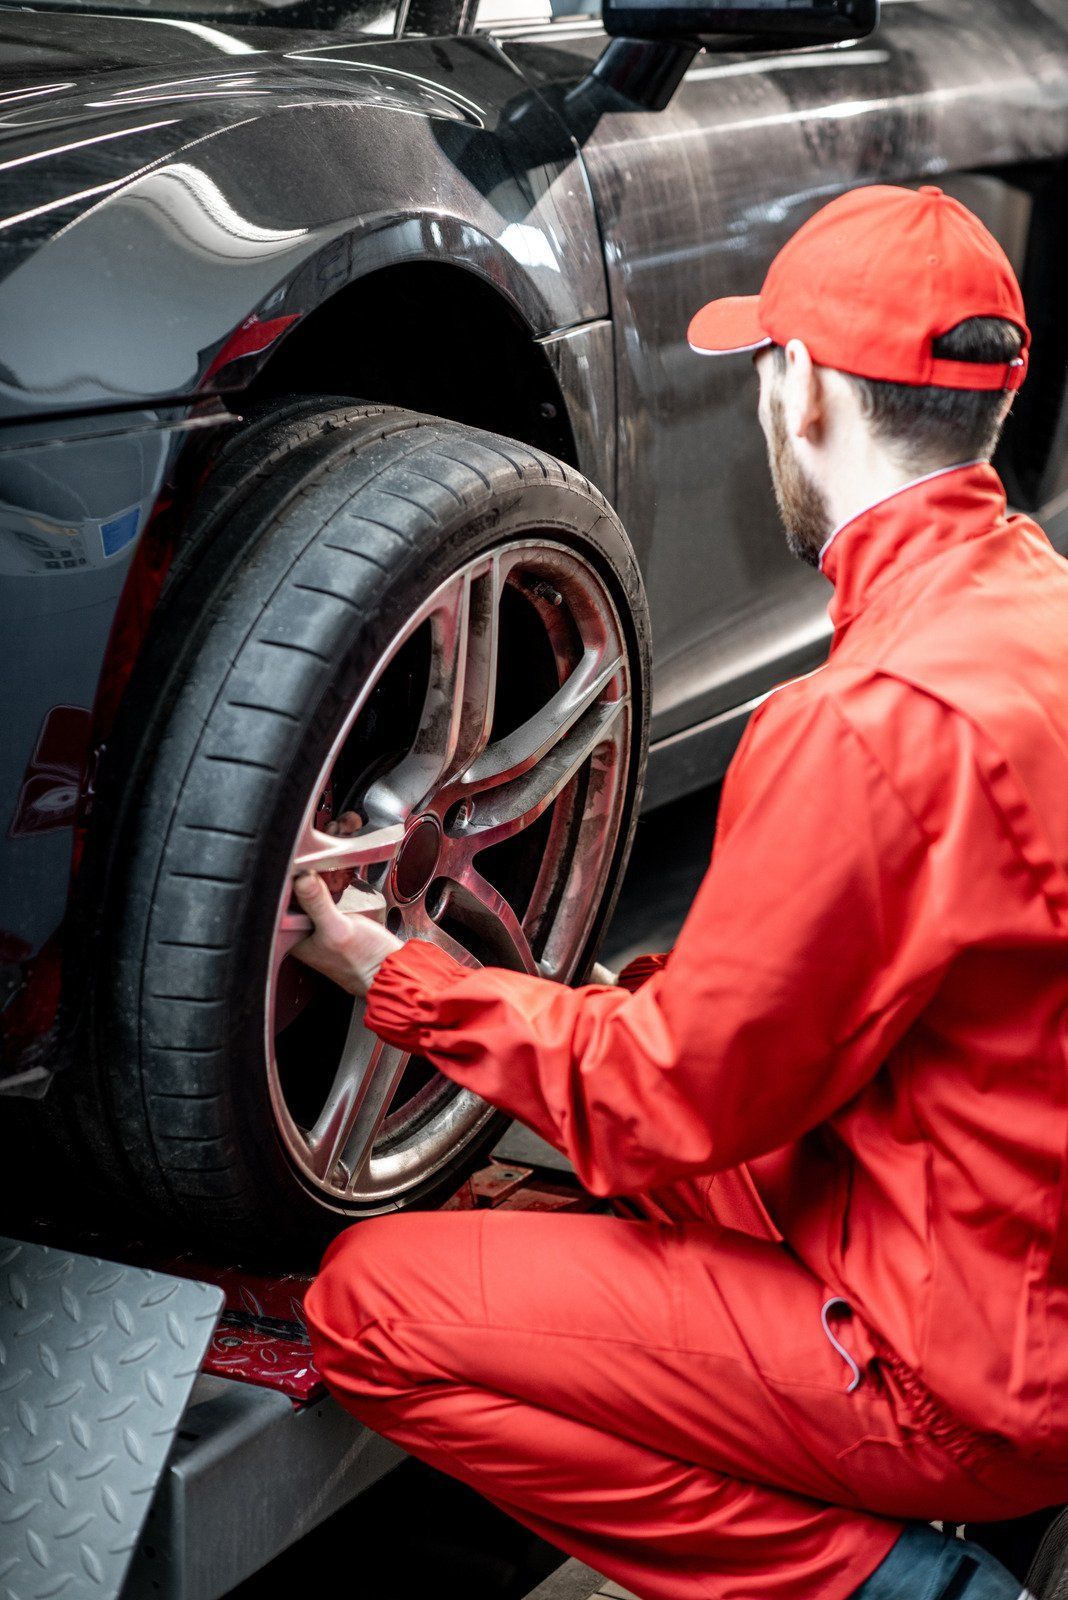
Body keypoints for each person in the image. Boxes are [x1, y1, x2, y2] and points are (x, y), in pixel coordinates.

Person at [294, 185, 1068, 1600]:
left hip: (961, 1380)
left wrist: (399, 980)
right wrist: (620, 1012)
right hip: (1008, 1256)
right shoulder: (1032, 615)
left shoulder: (864, 724)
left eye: (767, 372)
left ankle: (895, 1586)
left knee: (371, 1311)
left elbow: (667, 1108)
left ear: (804, 390)